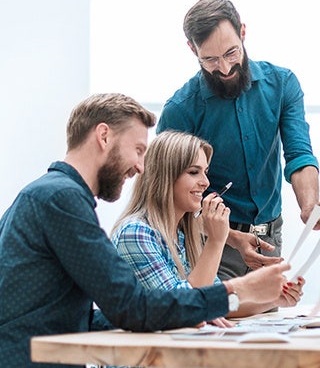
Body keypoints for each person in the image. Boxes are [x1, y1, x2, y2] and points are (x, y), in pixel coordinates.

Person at [0, 93, 291, 368]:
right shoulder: (62, 200)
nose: (140, 166)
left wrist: (190, 309)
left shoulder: (43, 195)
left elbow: (72, 315)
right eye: (138, 149)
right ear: (104, 136)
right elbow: (133, 306)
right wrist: (239, 291)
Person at [157, 0, 320, 282]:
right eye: (211, 60)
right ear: (192, 49)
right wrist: (230, 237)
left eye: (231, 53)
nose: (226, 69)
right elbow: (170, 197)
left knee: (269, 319)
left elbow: (299, 155)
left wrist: (309, 206)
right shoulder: (180, 110)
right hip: (210, 239)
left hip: (270, 235)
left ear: (243, 32)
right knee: (215, 319)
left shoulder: (282, 84)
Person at [111, 130, 305, 320]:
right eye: (194, 172)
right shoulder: (136, 233)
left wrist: (274, 300)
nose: (205, 182)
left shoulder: (181, 234)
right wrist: (216, 241)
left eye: (205, 172)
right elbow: (185, 309)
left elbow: (218, 303)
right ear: (165, 176)